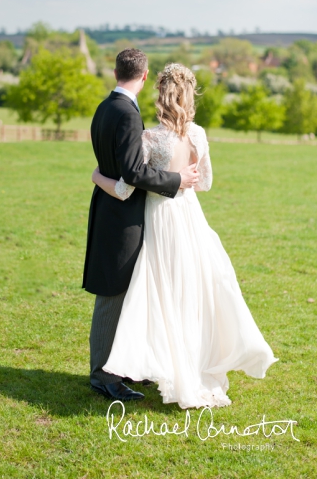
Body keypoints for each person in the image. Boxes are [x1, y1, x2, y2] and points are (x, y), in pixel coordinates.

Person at [91, 62, 277, 409]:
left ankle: (157, 363)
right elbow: (203, 183)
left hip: (160, 220)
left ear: (160, 94)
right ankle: (189, 366)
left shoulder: (151, 138)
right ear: (189, 97)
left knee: (160, 293)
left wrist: (97, 177)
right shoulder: (199, 135)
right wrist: (184, 176)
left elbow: (129, 185)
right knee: (191, 292)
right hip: (189, 218)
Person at [83, 48, 199, 403]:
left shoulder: (105, 108)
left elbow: (113, 166)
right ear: (145, 76)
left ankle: (126, 366)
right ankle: (103, 375)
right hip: (122, 216)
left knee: (127, 293)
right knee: (114, 294)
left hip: (109, 207)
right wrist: (176, 179)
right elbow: (133, 173)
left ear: (117, 72)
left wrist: (99, 178)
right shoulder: (128, 114)